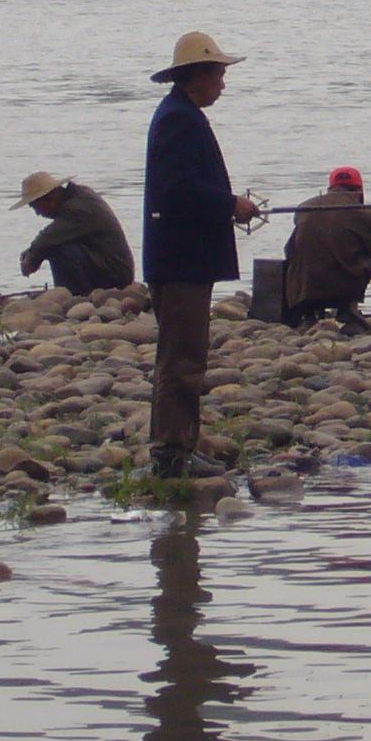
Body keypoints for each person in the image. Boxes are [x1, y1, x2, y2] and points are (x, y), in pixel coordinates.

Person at [143, 30, 260, 480]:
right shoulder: (179, 119)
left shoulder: (180, 114)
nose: (224, 84)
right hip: (180, 261)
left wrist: (227, 205)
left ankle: (181, 444)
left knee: (181, 355)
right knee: (182, 358)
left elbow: (184, 190)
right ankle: (172, 453)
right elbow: (180, 191)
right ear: (199, 76)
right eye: (220, 74)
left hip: (181, 258)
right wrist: (231, 205)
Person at [283, 166, 371, 331]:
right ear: (359, 190)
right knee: (368, 260)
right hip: (341, 291)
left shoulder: (304, 208)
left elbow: (289, 250)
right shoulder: (365, 215)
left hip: (303, 291)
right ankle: (346, 309)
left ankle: (309, 314)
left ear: (330, 188)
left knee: (305, 257)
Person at [14, 170, 133, 296]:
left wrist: (31, 260)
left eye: (35, 207)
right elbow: (52, 234)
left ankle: (71, 297)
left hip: (117, 275)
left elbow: (49, 238)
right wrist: (31, 253)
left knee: (57, 248)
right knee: (55, 244)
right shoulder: (80, 196)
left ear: (49, 199)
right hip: (111, 267)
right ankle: (69, 294)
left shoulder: (77, 209)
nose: (37, 213)